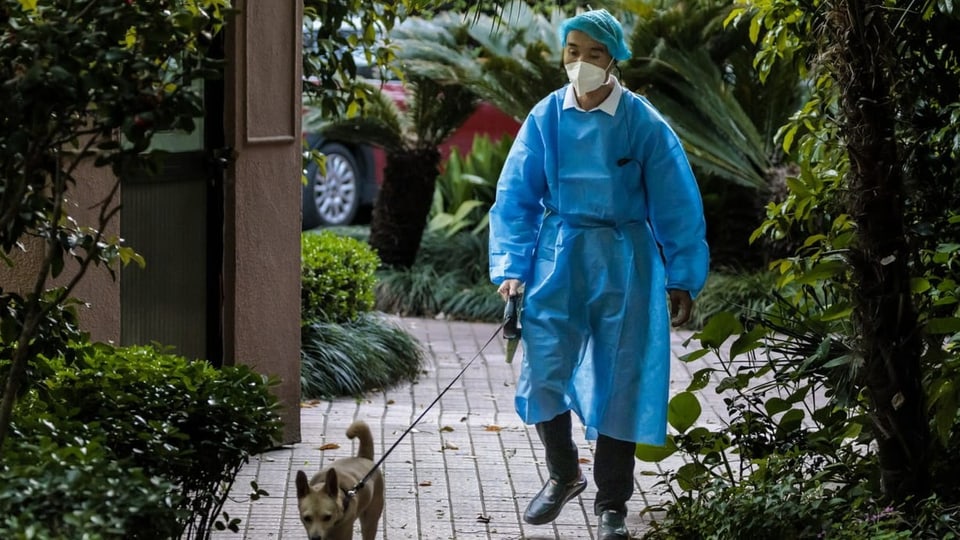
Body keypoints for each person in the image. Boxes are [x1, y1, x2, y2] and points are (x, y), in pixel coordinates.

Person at [487, 8, 710, 540]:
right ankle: (564, 474)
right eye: (572, 51)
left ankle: (612, 503)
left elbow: (678, 205)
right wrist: (512, 268)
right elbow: (515, 198)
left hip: (625, 259)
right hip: (557, 257)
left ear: (613, 59)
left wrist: (682, 275)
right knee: (543, 369)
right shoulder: (546, 118)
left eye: (592, 53)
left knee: (621, 379)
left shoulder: (642, 123)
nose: (580, 63)